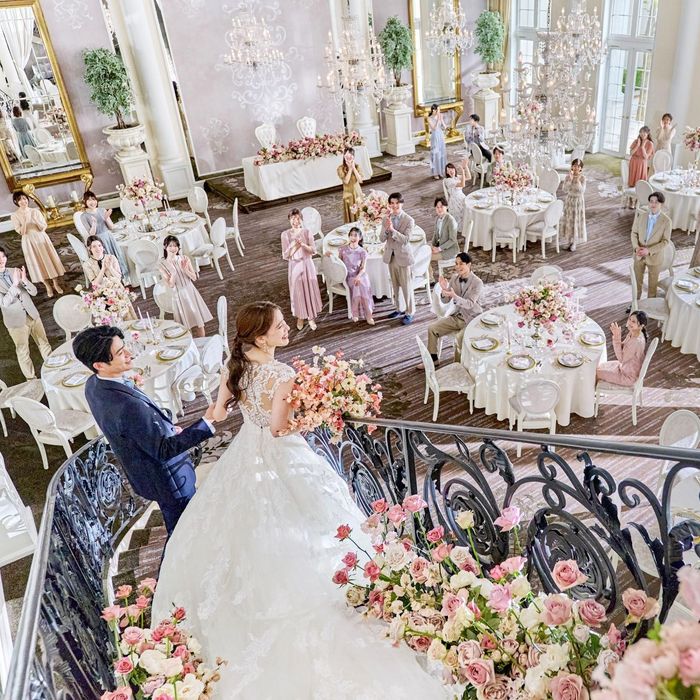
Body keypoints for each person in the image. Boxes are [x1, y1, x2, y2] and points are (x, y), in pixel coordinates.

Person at [151, 301, 446, 699]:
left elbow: (218, 413)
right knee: (313, 518)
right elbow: (278, 429)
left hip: (244, 453)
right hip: (281, 455)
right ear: (261, 338)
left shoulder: (234, 367)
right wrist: (314, 414)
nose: (287, 328)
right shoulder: (281, 374)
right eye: (279, 326)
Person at [74, 326, 216, 535]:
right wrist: (207, 421)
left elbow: (133, 429)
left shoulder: (93, 385)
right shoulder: (126, 406)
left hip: (145, 474)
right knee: (185, 530)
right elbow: (163, 450)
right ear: (99, 365)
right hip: (169, 480)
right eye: (120, 353)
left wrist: (165, 426)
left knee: (180, 524)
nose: (129, 354)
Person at [0, 246, 51, 379]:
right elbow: (4, 303)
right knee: (23, 351)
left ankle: (52, 371)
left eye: (3, 257)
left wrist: (25, 280)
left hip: (32, 314)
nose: (1, 260)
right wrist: (15, 285)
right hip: (16, 321)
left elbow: (34, 292)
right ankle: (31, 380)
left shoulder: (15, 271)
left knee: (44, 343)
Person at [427, 252, 483, 364]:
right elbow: (446, 300)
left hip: (472, 319)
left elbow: (470, 304)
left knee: (459, 338)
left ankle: (458, 366)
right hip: (457, 317)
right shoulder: (454, 278)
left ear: (469, 264)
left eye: (461, 263)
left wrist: (454, 296)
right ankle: (433, 361)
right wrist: (444, 291)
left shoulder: (477, 283)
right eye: (456, 263)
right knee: (432, 329)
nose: (457, 266)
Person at [10, 191, 65, 297]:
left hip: (41, 238)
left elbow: (43, 228)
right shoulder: (15, 215)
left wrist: (35, 220)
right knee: (37, 264)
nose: (23, 201)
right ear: (16, 202)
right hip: (29, 241)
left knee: (49, 261)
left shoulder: (35, 211)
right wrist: (25, 221)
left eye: (24, 198)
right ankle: (47, 286)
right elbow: (22, 232)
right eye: (20, 199)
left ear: (27, 199)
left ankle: (55, 284)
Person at [159, 236, 213, 338]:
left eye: (175, 246)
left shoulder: (184, 258)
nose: (173, 248)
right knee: (185, 327)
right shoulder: (163, 265)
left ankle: (202, 342)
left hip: (191, 292)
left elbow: (194, 277)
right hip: (178, 296)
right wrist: (173, 273)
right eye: (170, 246)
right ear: (165, 247)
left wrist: (185, 270)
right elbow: (170, 285)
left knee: (199, 324)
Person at [281, 208, 322, 331]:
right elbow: (286, 255)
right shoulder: (285, 235)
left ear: (302, 220)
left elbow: (314, 251)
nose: (295, 221)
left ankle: (311, 317)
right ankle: (300, 316)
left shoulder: (307, 232)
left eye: (298, 218)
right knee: (298, 291)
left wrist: (303, 245)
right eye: (293, 218)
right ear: (289, 220)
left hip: (307, 264)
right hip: (294, 265)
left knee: (309, 289)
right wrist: (295, 246)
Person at [381, 192, 416, 325]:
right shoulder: (386, 219)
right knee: (395, 286)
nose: (395, 206)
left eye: (397, 203)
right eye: (392, 203)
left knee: (406, 287)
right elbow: (381, 238)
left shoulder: (409, 220)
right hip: (391, 257)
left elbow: (406, 240)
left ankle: (410, 312)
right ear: (389, 205)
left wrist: (392, 230)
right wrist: (386, 230)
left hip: (403, 257)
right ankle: (399, 308)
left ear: (402, 204)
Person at [81, 190, 130, 281]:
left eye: (94, 199)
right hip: (98, 240)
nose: (92, 202)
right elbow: (91, 235)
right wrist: (94, 224)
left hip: (109, 237)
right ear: (85, 202)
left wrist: (106, 218)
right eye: (89, 200)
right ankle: (110, 280)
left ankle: (123, 278)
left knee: (116, 256)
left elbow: (111, 227)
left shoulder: (102, 210)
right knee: (106, 259)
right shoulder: (84, 216)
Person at [631, 191, 671, 298]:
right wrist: (636, 248)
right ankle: (635, 303)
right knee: (636, 282)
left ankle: (650, 304)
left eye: (656, 202)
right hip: (639, 255)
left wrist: (649, 251)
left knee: (652, 286)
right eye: (651, 201)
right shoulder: (641, 216)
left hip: (655, 258)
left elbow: (665, 241)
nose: (653, 204)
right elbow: (634, 233)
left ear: (661, 204)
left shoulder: (666, 221)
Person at [596, 312, 648, 387]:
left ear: (641, 326)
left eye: (633, 321)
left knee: (596, 373)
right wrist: (617, 337)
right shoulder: (634, 333)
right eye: (630, 319)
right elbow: (624, 347)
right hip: (624, 367)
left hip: (627, 376)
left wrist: (617, 338)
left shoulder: (636, 342)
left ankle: (591, 393)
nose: (630, 322)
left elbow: (621, 359)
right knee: (598, 367)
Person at [338, 227, 374, 325]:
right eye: (351, 235)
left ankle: (364, 314)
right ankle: (363, 314)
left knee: (360, 284)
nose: (353, 237)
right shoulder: (343, 249)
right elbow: (339, 264)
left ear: (360, 238)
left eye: (355, 235)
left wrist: (358, 276)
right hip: (348, 276)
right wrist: (329, 255)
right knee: (358, 284)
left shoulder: (362, 252)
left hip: (359, 275)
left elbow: (363, 268)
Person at [560, 158, 587, 251]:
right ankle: (568, 241)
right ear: (572, 166)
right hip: (569, 201)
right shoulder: (568, 177)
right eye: (574, 165)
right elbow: (564, 190)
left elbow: (582, 191)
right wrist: (570, 180)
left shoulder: (583, 178)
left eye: (578, 166)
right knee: (568, 221)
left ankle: (574, 242)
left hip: (578, 202)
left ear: (581, 168)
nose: (576, 167)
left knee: (575, 221)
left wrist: (577, 180)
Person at [431, 196, 459, 278]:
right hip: (441, 247)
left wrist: (439, 249)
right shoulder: (438, 219)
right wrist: (432, 246)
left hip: (450, 250)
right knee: (425, 252)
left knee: (427, 257)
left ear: (446, 207)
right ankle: (429, 277)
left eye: (441, 206)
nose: (439, 209)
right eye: (437, 207)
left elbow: (452, 240)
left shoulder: (450, 220)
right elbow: (435, 234)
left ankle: (430, 279)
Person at [337, 146, 363, 223]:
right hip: (348, 194)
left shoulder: (357, 166)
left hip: (357, 193)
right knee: (351, 213)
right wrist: (350, 168)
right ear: (344, 156)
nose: (349, 156)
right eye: (347, 155)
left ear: (353, 156)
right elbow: (346, 181)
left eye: (351, 155)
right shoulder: (340, 168)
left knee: (360, 212)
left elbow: (360, 180)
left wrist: (354, 168)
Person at [443, 161, 469, 226]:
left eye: (452, 169)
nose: (451, 171)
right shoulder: (448, 181)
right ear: (447, 172)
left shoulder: (456, 177)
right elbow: (462, 184)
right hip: (455, 201)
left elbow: (469, 177)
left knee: (470, 206)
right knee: (467, 209)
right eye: (449, 170)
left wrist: (465, 166)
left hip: (461, 196)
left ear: (455, 169)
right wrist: (462, 171)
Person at [428, 104, 447, 180]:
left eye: (439, 110)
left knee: (442, 152)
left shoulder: (440, 116)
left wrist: (442, 120)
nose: (439, 111)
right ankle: (435, 173)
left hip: (440, 135)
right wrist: (437, 120)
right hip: (435, 136)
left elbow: (444, 127)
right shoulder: (429, 118)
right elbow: (434, 128)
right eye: (438, 110)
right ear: (433, 110)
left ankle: (441, 171)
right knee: (435, 154)